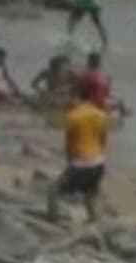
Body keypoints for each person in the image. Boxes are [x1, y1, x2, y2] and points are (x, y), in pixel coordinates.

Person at [47, 81, 110, 223]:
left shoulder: (72, 116)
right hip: (99, 162)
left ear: (76, 96)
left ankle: (53, 222)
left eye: (69, 96)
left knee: (53, 191)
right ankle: (94, 221)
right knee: (90, 194)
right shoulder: (101, 115)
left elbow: (69, 145)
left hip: (80, 163)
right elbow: (103, 141)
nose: (67, 99)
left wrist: (70, 164)